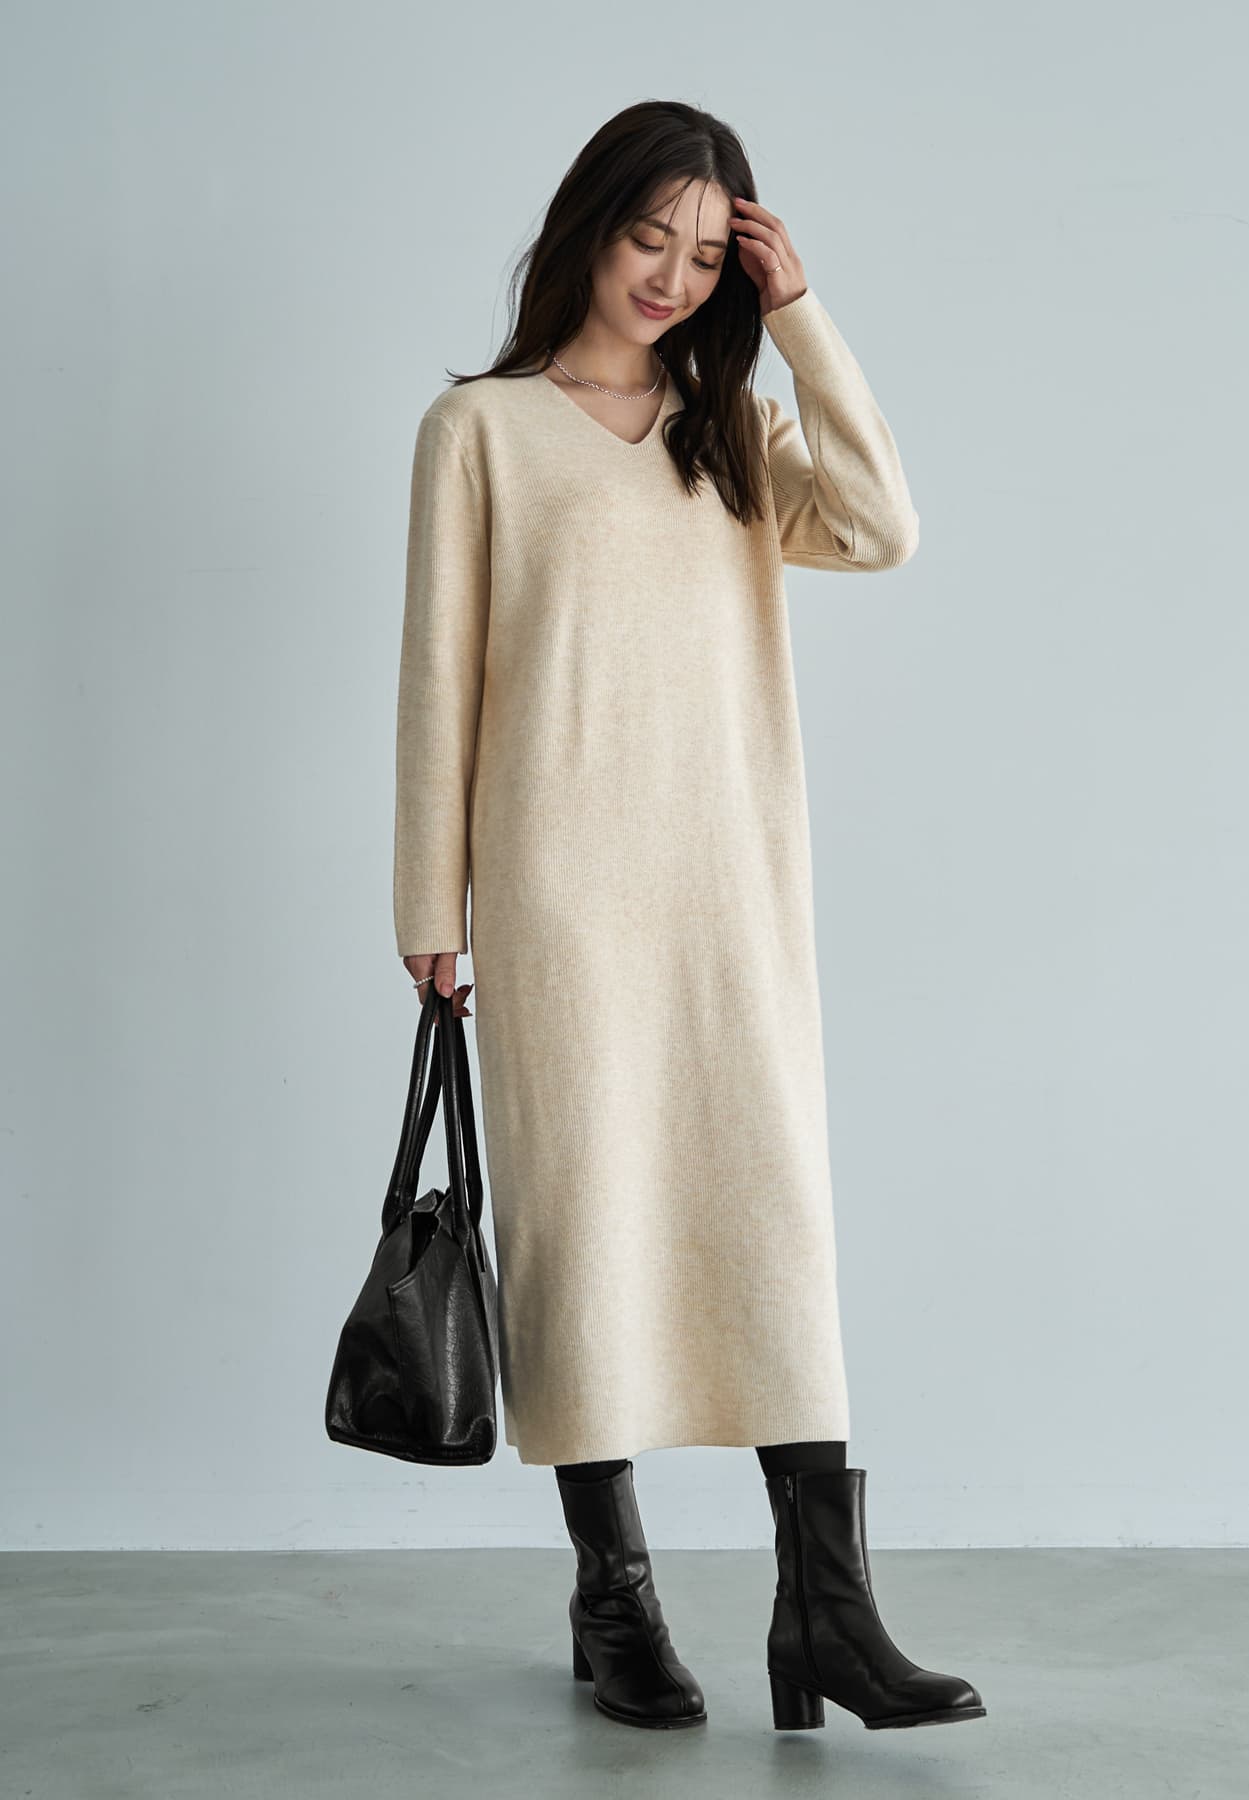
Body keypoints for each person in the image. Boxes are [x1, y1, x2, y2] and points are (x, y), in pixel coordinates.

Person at [391, 99, 985, 1736]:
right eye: (650, 234)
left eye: (709, 253)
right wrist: (427, 903)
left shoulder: (735, 428)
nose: (670, 274)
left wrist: (800, 317)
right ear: (588, 224)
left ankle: (829, 1615)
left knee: (771, 1224)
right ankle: (616, 1599)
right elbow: (439, 674)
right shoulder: (481, 429)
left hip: (732, 887)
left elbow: (883, 528)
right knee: (586, 1229)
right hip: (560, 894)